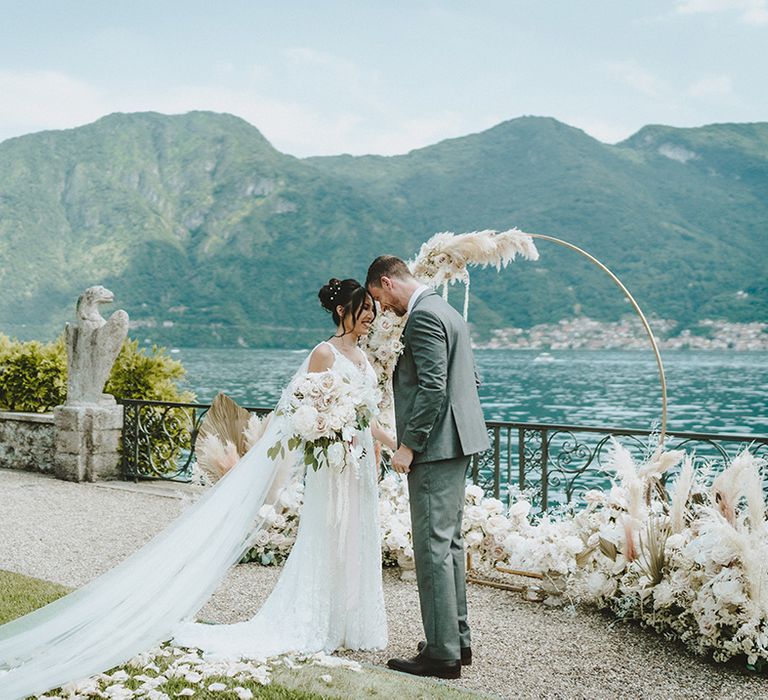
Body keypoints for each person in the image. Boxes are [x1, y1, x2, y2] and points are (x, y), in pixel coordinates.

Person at [0, 278, 395, 700]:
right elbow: (305, 411)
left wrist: (391, 444)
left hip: (358, 465)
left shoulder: (364, 357)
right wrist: (329, 430)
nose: (371, 315)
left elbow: (364, 413)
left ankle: (350, 621)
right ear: (342, 311)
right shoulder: (324, 353)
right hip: (330, 466)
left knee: (355, 538)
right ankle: (316, 621)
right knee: (327, 539)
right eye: (364, 308)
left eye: (372, 308)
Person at [366, 255, 489, 680]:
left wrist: (408, 446)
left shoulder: (421, 318)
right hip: (459, 441)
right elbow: (470, 379)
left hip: (435, 448)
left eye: (380, 298)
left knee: (432, 548)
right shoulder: (448, 310)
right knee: (449, 544)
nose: (383, 309)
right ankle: (456, 640)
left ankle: (441, 655)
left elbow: (434, 387)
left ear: (387, 282)